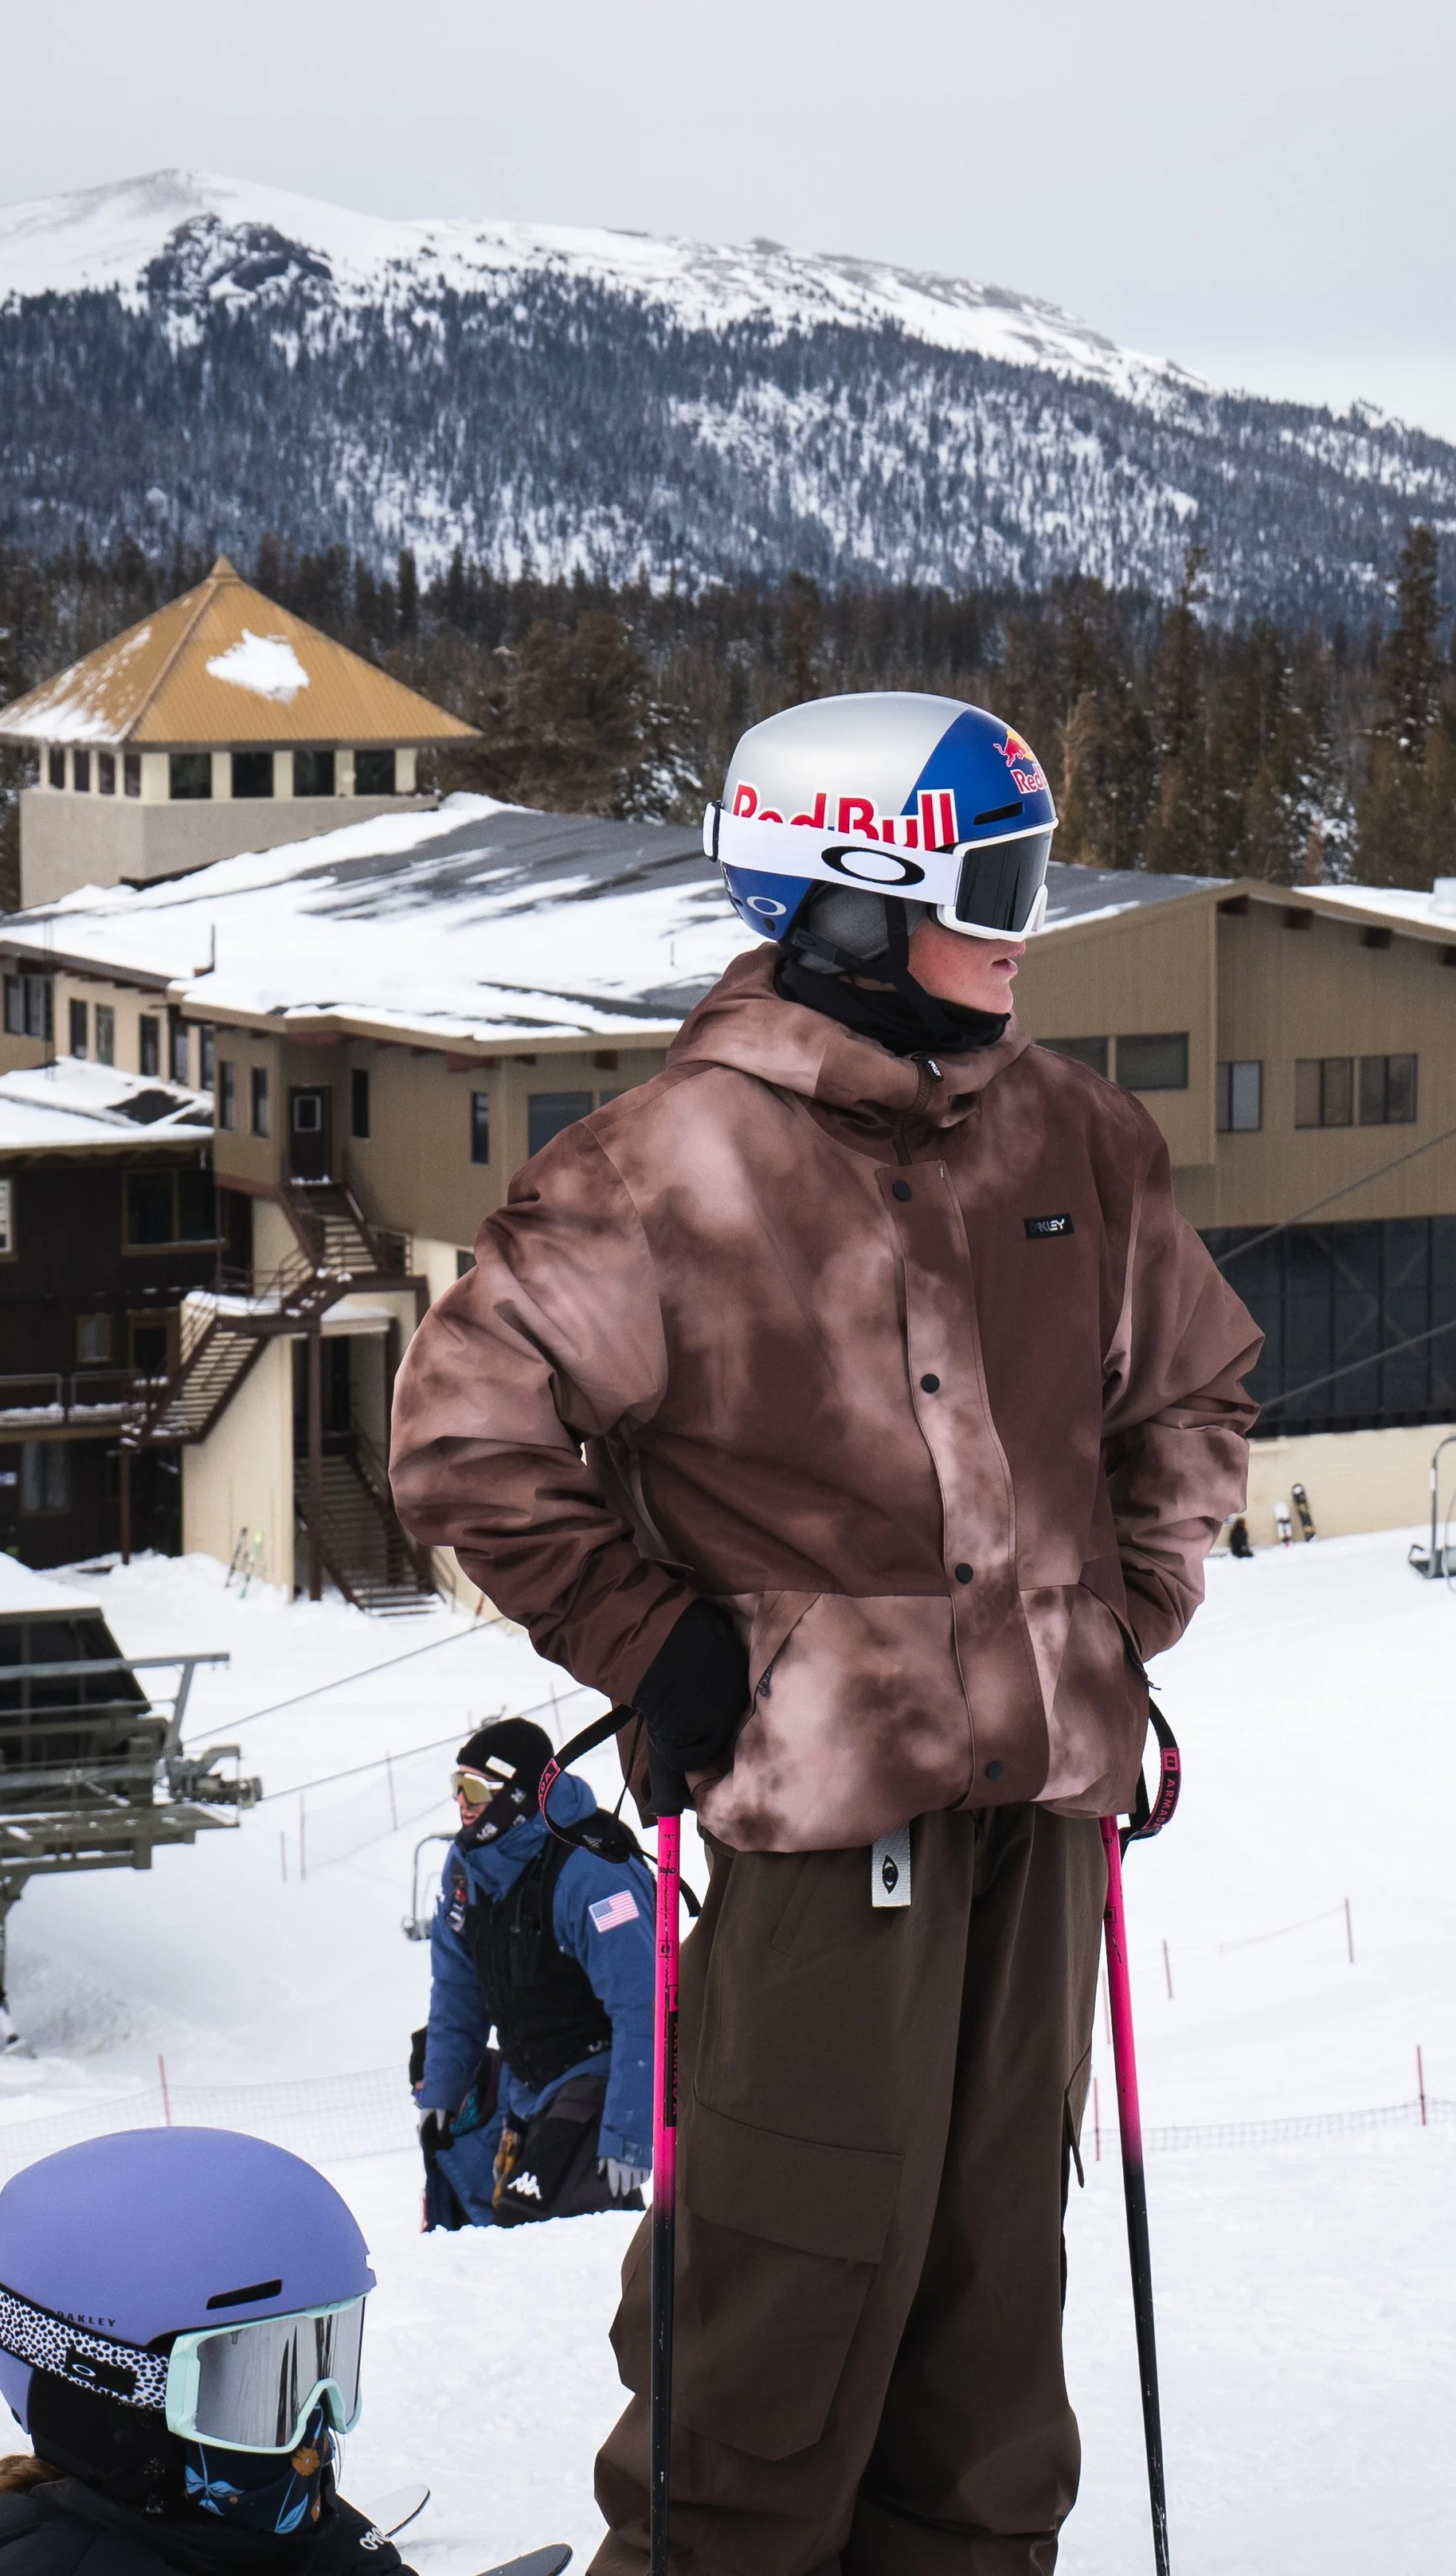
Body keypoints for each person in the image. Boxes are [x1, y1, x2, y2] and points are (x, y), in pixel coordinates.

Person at [389, 690, 1259, 2574]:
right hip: (820, 1823)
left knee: (987, 2300)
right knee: (787, 2286)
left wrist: (1127, 1611)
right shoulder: (665, 1172)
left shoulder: (1076, 1142)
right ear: (846, 906)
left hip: (1041, 1815)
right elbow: (467, 1434)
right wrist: (659, 1642)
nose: (1021, 935)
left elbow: (1187, 1395)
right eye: (988, 888)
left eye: (1031, 882)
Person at [0, 2127, 411, 2576]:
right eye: (253, 2384)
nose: (311, 2433)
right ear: (99, 2384)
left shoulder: (288, 2541)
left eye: (324, 2362)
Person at [415, 1717, 655, 2225]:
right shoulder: (469, 1866)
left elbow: (645, 2006)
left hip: (598, 2073)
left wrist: (629, 2135)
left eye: (476, 1788)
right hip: (528, 2082)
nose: (462, 1803)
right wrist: (442, 2089)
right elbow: (456, 1987)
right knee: (472, 2211)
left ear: (520, 1797)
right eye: (456, 1787)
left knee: (528, 2224)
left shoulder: (593, 1872)